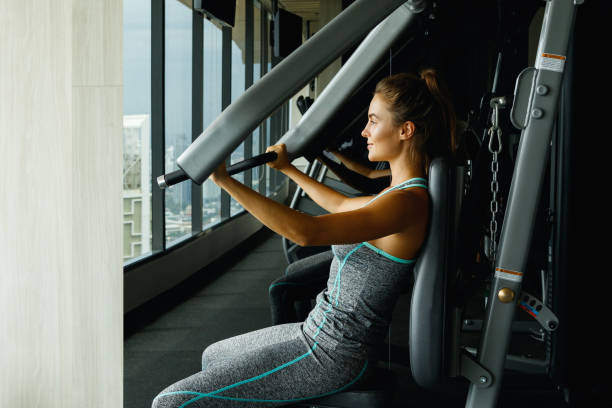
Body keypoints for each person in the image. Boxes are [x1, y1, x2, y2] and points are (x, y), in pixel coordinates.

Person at [152, 68, 457, 408]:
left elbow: (306, 232)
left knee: (171, 402)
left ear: (406, 130)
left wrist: (227, 182)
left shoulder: (406, 203)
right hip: (316, 330)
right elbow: (340, 203)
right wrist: (288, 169)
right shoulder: (396, 194)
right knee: (215, 355)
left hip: (333, 352)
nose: (364, 131)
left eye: (373, 121)